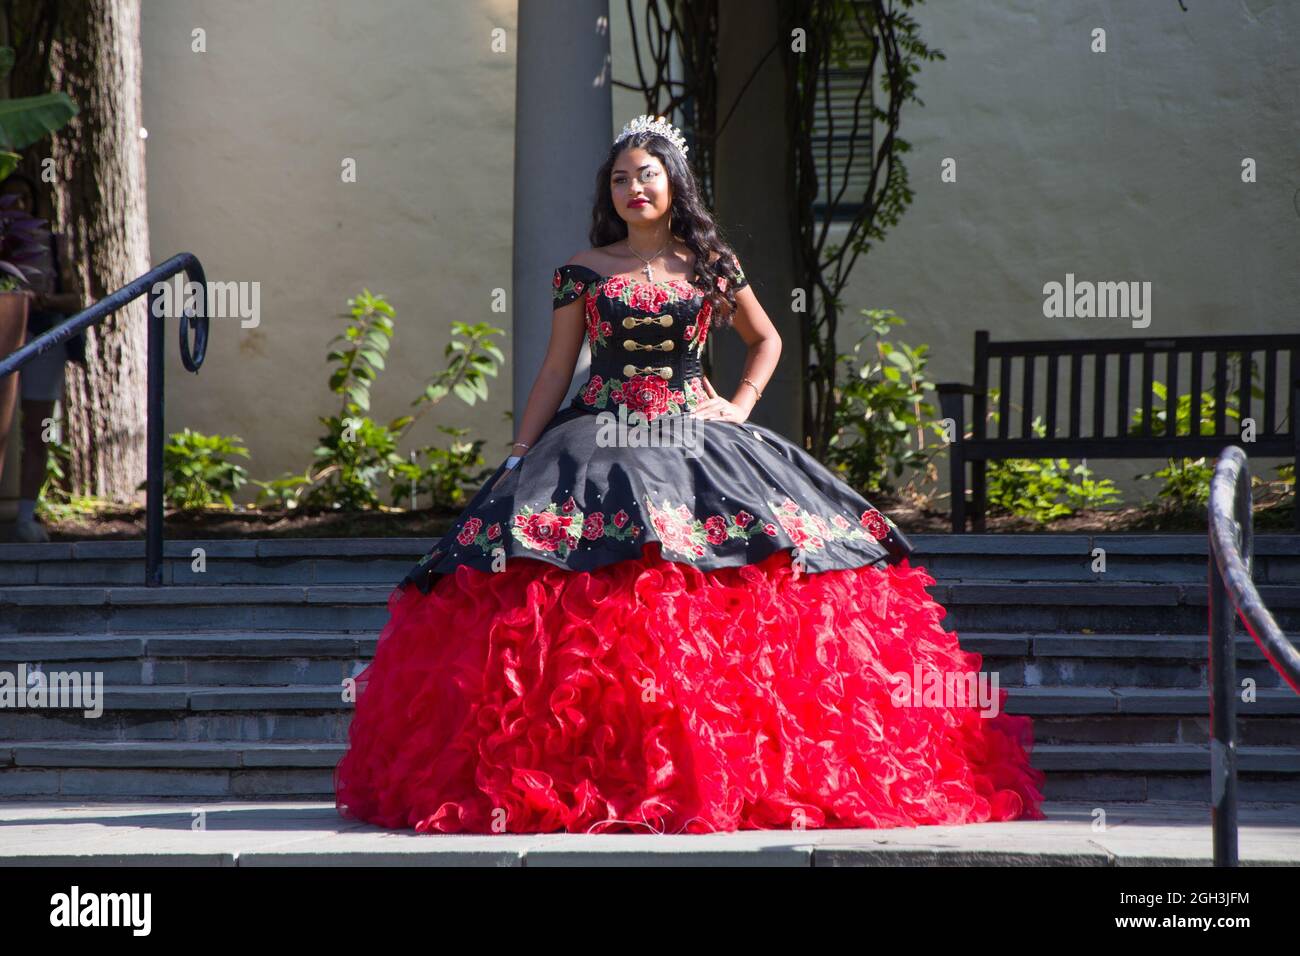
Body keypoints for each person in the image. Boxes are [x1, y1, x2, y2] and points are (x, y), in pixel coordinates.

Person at [334, 115, 1046, 834]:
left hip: (698, 432)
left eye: (646, 174)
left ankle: (725, 773)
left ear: (674, 183)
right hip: (598, 433)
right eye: (620, 178)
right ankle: (590, 777)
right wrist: (522, 449)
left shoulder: (711, 265)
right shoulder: (582, 269)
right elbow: (558, 366)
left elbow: (765, 338)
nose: (633, 187)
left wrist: (739, 405)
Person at [0, 173, 85, 542]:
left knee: (37, 429)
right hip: (5, 337)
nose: (17, 208)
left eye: (24, 201)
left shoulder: (52, 243)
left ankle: (24, 515)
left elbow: (75, 298)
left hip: (42, 337)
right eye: (9, 201)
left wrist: (44, 301)